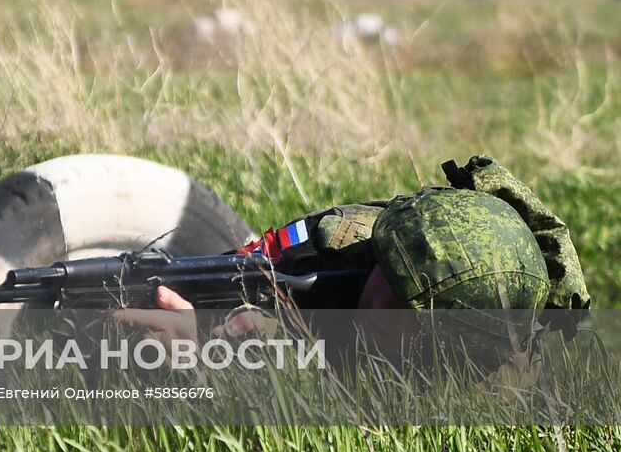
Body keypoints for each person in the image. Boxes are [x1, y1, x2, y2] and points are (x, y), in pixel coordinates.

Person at [114, 155, 592, 362]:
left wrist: (199, 368)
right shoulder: (349, 241)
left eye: (409, 307)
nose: (379, 298)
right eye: (391, 271)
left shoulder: (486, 389)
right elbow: (241, 274)